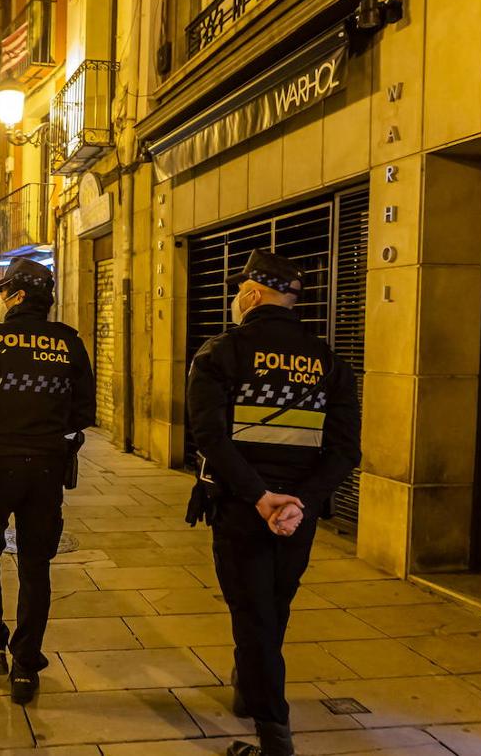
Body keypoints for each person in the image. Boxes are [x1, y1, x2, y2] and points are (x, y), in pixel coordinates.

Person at [185, 250, 361, 756]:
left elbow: (210, 438)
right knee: (274, 607)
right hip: (296, 516)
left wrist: (262, 497)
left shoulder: (223, 352)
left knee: (252, 613)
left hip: (243, 507)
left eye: (239, 289)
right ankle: (250, 686)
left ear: (253, 294)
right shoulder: (327, 360)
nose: (236, 298)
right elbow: (346, 448)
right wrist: (297, 503)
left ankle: (274, 735)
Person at [0, 256, 95, 706]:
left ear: (14, 297)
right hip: (48, 467)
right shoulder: (69, 342)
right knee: (35, 564)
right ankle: (26, 666)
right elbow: (84, 410)